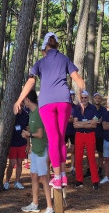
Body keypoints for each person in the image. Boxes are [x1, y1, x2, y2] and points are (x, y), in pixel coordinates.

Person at [14, 31, 85, 190]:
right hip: (64, 100)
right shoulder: (65, 59)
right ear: (57, 45)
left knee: (53, 139)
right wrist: (81, 96)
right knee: (60, 138)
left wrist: (19, 101)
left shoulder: (40, 62)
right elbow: (79, 80)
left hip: (47, 102)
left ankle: (58, 177)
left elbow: (30, 83)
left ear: (45, 47)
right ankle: (64, 175)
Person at [20, 90, 55, 213]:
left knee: (44, 178)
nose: (23, 102)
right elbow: (31, 130)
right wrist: (28, 141)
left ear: (28, 100)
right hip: (35, 150)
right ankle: (35, 204)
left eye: (24, 99)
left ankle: (50, 207)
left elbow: (40, 134)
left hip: (42, 151)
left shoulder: (39, 113)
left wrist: (28, 135)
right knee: (34, 176)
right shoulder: (31, 113)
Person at [72, 90, 100, 189]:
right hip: (79, 135)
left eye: (85, 97)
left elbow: (95, 123)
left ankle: (95, 181)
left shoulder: (93, 108)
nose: (84, 99)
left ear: (88, 98)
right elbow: (75, 124)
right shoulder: (76, 108)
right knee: (78, 158)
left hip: (90, 135)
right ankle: (79, 180)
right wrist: (89, 122)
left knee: (91, 158)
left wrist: (82, 123)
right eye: (82, 98)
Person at [5, 102, 29, 190]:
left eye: (23, 105)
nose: (21, 106)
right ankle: (7, 182)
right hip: (12, 143)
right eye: (20, 105)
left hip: (22, 143)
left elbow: (27, 129)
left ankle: (17, 182)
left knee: (19, 163)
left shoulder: (26, 115)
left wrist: (28, 144)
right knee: (11, 164)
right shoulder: (12, 115)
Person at [93, 92, 107, 178]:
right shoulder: (90, 108)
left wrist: (98, 121)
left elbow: (102, 120)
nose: (97, 100)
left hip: (100, 134)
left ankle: (100, 169)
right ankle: (90, 169)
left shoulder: (104, 110)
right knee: (90, 153)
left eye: (99, 98)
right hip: (91, 134)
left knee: (100, 153)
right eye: (96, 98)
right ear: (93, 99)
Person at [65, 90, 76, 174]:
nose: (71, 97)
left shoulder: (76, 107)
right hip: (64, 130)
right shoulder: (64, 106)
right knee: (63, 149)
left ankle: (72, 167)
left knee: (73, 150)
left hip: (73, 131)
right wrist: (70, 118)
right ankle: (62, 166)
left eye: (72, 95)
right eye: (70, 95)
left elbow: (75, 119)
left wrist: (68, 118)